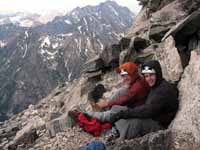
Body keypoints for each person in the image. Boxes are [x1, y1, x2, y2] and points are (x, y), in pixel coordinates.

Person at [111, 60, 179, 140]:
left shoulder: (162, 91)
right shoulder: (157, 84)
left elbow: (147, 111)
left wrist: (125, 113)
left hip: (159, 125)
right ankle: (120, 130)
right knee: (117, 109)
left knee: (135, 123)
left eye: (151, 75)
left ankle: (121, 141)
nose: (149, 79)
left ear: (158, 73)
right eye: (146, 76)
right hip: (152, 117)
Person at [84, 61, 150, 123]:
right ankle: (104, 108)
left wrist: (108, 103)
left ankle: (89, 114)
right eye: (123, 76)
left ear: (133, 74)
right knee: (121, 91)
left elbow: (125, 99)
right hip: (134, 103)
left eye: (126, 75)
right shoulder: (138, 79)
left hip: (135, 109)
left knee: (116, 110)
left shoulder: (137, 87)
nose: (124, 79)